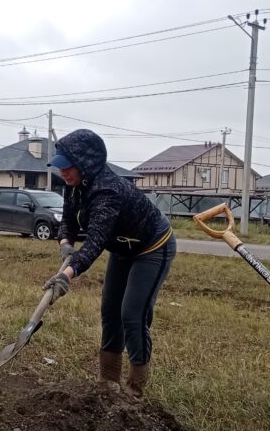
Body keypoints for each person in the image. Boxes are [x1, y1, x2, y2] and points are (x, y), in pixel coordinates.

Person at [46, 129, 176, 398]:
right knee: (109, 311)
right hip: (122, 249)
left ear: (85, 164)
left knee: (132, 313)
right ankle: (107, 383)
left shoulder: (107, 191)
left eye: (67, 167)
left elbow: (94, 243)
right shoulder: (74, 187)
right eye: (60, 167)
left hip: (152, 246)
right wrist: (65, 244)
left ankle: (134, 389)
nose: (63, 172)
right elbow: (69, 221)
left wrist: (66, 276)